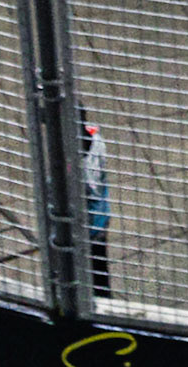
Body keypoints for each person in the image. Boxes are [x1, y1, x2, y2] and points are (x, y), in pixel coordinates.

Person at [81, 109, 110, 297]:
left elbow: (88, 191)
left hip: (91, 227)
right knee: (100, 269)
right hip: (102, 216)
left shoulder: (81, 165)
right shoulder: (97, 138)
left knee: (94, 271)